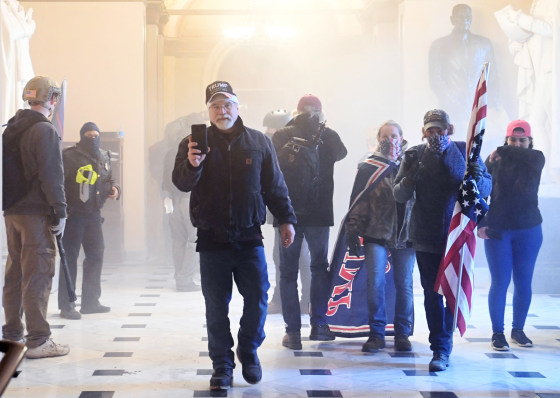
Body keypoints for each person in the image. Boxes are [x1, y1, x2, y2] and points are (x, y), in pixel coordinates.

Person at [172, 81, 296, 390]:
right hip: (211, 238)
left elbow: (274, 186)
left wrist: (286, 219)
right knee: (216, 307)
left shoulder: (258, 142)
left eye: (227, 104)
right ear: (209, 111)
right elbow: (181, 183)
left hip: (249, 236)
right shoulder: (192, 143)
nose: (221, 110)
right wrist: (192, 164)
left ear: (237, 107)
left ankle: (248, 349)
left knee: (257, 299)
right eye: (215, 106)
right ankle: (222, 366)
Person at [393, 109, 492, 371]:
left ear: (449, 129)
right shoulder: (414, 154)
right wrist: (411, 175)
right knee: (431, 293)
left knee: (451, 292)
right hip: (425, 235)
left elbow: (485, 189)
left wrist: (474, 175)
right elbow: (399, 194)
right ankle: (438, 347)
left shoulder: (463, 150)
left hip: (455, 234)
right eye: (431, 129)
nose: (436, 134)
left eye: (440, 129)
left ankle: (444, 345)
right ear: (424, 131)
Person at [272, 94, 347, 350]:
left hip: (287, 213)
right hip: (318, 213)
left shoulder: (282, 135)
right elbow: (342, 153)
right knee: (318, 267)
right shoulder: (329, 135)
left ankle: (292, 333)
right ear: (320, 112)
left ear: (297, 111)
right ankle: (319, 325)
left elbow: (271, 165)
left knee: (287, 271)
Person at [2, 76, 69, 358]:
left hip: (12, 212)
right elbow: (52, 175)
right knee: (38, 272)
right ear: (52, 99)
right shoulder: (45, 130)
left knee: (15, 272)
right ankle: (39, 340)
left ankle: (13, 335)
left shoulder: (11, 128)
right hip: (35, 213)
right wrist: (61, 210)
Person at [345, 121, 415, 353]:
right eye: (385, 136)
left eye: (394, 135)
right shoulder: (368, 167)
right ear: (378, 139)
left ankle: (402, 333)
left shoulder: (413, 163)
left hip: (405, 234)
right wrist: (353, 229)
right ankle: (376, 333)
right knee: (375, 283)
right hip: (376, 231)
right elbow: (358, 200)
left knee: (404, 284)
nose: (390, 140)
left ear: (402, 137)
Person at [477, 120, 544, 351]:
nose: (517, 144)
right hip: (499, 230)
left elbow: (522, 156)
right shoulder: (495, 160)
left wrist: (503, 150)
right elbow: (479, 190)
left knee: (523, 282)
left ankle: (518, 330)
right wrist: (480, 223)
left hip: (529, 230)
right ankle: (498, 333)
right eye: (512, 140)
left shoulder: (536, 158)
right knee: (500, 282)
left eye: (522, 140)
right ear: (506, 139)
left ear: (529, 142)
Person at [57, 122, 121, 319]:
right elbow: (60, 182)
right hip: (74, 215)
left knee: (96, 255)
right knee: (70, 258)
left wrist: (115, 189)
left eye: (96, 135)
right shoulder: (69, 156)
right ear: (82, 136)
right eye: (88, 135)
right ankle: (67, 305)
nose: (93, 139)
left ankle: (91, 301)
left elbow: (109, 178)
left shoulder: (104, 155)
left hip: (94, 215)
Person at [498, 1, 560, 178]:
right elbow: (538, 34)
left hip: (551, 70)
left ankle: (553, 170)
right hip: (539, 68)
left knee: (551, 120)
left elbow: (552, 29)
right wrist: (518, 38)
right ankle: (545, 170)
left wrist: (521, 19)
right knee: (537, 121)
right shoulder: (538, 2)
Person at [262, 109, 311, 315]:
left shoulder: (294, 151)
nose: (267, 132)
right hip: (281, 212)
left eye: (271, 128)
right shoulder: (275, 147)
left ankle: (307, 299)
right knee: (280, 256)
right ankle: (283, 298)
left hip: (295, 212)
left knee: (302, 258)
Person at [429, 4, 496, 131]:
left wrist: (492, 104)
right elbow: (436, 79)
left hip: (478, 105)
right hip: (450, 108)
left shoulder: (484, 44)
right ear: (452, 19)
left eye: (468, 17)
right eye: (460, 17)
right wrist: (453, 101)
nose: (465, 20)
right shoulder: (439, 46)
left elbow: (492, 76)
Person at [162, 114, 206, 292]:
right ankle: (185, 278)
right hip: (190, 197)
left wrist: (167, 196)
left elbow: (165, 176)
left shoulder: (172, 148)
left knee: (178, 240)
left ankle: (180, 276)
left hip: (174, 197)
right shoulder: (194, 146)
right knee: (196, 239)